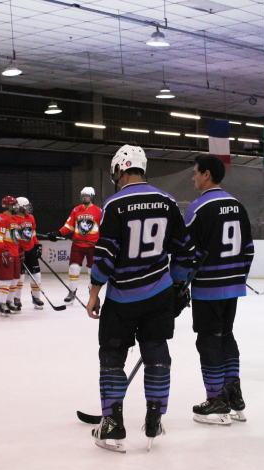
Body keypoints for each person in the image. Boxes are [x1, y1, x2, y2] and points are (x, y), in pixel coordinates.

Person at [86, 144, 195, 453]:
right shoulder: (167, 201)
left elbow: (105, 256)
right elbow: (185, 252)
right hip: (158, 295)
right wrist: (177, 286)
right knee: (157, 356)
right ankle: (154, 418)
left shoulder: (114, 204)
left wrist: (94, 293)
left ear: (120, 168)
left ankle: (113, 425)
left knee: (111, 359)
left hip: (121, 299)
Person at [184, 154, 254, 425]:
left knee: (208, 339)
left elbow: (188, 252)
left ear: (207, 175)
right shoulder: (238, 205)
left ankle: (216, 401)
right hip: (232, 287)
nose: (193, 177)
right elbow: (248, 249)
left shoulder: (199, 207)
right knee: (225, 335)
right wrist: (238, 277)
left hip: (208, 288)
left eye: (195, 172)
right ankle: (232, 393)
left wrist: (180, 284)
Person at [48, 187, 101, 304]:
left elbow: (103, 228)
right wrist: (58, 232)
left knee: (92, 271)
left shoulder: (98, 211)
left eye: (87, 195)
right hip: (78, 245)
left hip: (93, 246)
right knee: (73, 268)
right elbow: (69, 226)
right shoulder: (76, 210)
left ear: (92, 196)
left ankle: (92, 293)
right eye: (83, 195)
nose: (84, 197)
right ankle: (72, 291)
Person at [0, 196, 21, 316]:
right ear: (8, 206)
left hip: (14, 253)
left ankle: (9, 301)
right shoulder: (0, 218)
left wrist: (21, 249)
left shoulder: (14, 219)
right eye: (14, 205)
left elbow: (14, 238)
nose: (16, 207)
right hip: (4, 254)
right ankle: (1, 304)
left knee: (14, 279)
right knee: (5, 280)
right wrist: (4, 251)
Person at [14, 197, 44, 310]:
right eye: (26, 206)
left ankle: (36, 297)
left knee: (37, 275)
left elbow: (33, 234)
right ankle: (16, 298)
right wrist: (16, 249)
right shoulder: (13, 219)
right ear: (19, 207)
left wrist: (37, 245)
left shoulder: (30, 218)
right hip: (19, 251)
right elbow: (13, 237)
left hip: (30, 250)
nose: (28, 208)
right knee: (19, 276)